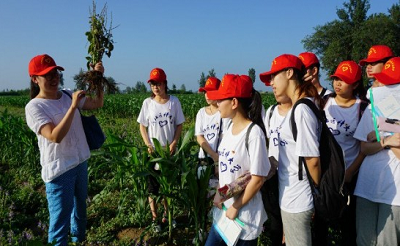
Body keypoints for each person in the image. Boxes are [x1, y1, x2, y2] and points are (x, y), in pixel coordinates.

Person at [25, 54, 105, 245]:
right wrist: (73, 107)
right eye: (47, 75)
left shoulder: (68, 94)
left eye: (55, 73)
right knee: (60, 222)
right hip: (59, 172)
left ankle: (79, 240)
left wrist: (98, 78)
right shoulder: (34, 107)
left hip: (79, 163)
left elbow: (97, 103)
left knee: (80, 212)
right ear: (35, 79)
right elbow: (54, 136)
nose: (54, 79)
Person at [260, 54, 322, 246]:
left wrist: (316, 194)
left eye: (273, 76)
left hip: (299, 198)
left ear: (289, 73)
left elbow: (313, 160)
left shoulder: (302, 109)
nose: (271, 83)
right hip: (289, 197)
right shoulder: (298, 107)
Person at [204, 74, 270, 246]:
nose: (217, 104)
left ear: (234, 102)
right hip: (223, 215)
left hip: (243, 219)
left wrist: (236, 207)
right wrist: (220, 194)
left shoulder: (254, 133)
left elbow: (258, 179)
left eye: (221, 100)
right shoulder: (228, 128)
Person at [318, 61, 367, 246]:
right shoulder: (324, 103)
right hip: (325, 175)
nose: (337, 83)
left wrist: (349, 173)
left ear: (355, 84)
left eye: (344, 80)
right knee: (321, 225)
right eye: (336, 78)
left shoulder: (362, 108)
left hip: (349, 176)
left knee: (348, 227)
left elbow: (363, 148)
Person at [353, 57, 400, 245]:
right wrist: (388, 140)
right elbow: (365, 147)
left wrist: (380, 136)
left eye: (391, 82)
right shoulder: (373, 108)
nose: (382, 86)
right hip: (367, 186)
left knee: (387, 242)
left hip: (395, 193)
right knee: (364, 240)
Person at [137, 67, 185, 232]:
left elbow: (179, 125)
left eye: (158, 83)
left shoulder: (174, 102)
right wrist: (148, 145)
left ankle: (168, 214)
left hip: (169, 151)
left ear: (165, 83)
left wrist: (174, 143)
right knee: (153, 187)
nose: (156, 87)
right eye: (152, 84)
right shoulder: (147, 103)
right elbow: (142, 126)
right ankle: (155, 219)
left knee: (168, 186)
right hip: (154, 153)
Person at [263, 90, 292, 246]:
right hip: (274, 173)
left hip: (292, 178)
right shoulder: (271, 111)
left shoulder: (299, 112)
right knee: (275, 218)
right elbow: (269, 141)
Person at [195, 77, 222, 177]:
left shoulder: (223, 113)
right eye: (205, 92)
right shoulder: (201, 113)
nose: (207, 95)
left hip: (221, 160)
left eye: (210, 92)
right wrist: (213, 155)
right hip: (204, 158)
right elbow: (199, 137)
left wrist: (217, 160)